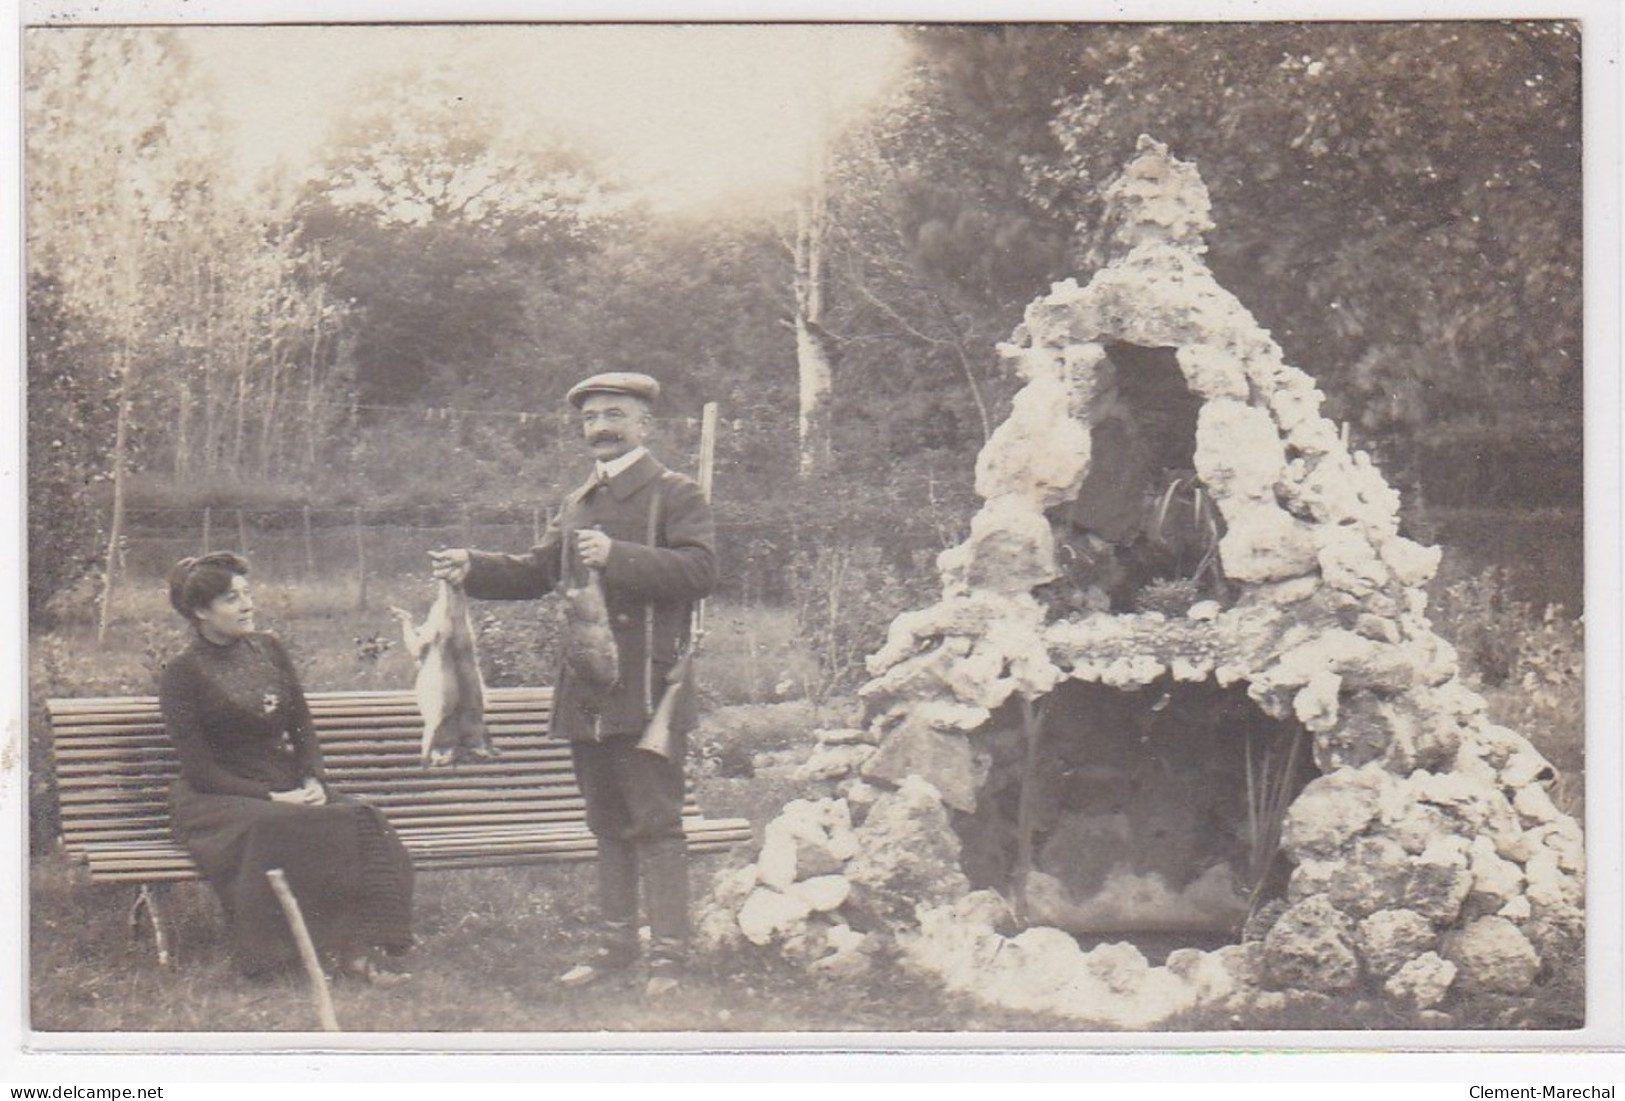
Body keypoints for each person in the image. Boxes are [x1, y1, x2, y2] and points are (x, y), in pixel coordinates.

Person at [430, 372, 716, 997]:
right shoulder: (579, 498)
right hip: (587, 687)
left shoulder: (675, 494)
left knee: (656, 820)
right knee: (606, 819)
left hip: (647, 689)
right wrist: (473, 566)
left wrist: (617, 556)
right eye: (590, 419)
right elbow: (539, 570)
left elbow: (700, 570)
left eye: (614, 415)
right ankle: (615, 945)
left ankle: (669, 954)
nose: (601, 428)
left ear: (645, 424)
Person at [158, 552, 414, 985]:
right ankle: (279, 957)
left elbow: (302, 724)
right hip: (218, 797)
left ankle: (357, 951)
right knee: (280, 823)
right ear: (200, 611)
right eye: (230, 599)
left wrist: (313, 777)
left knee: (359, 818)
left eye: (247, 593)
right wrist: (273, 797)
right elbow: (200, 770)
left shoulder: (269, 649)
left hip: (282, 779)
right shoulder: (181, 674)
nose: (246, 605)